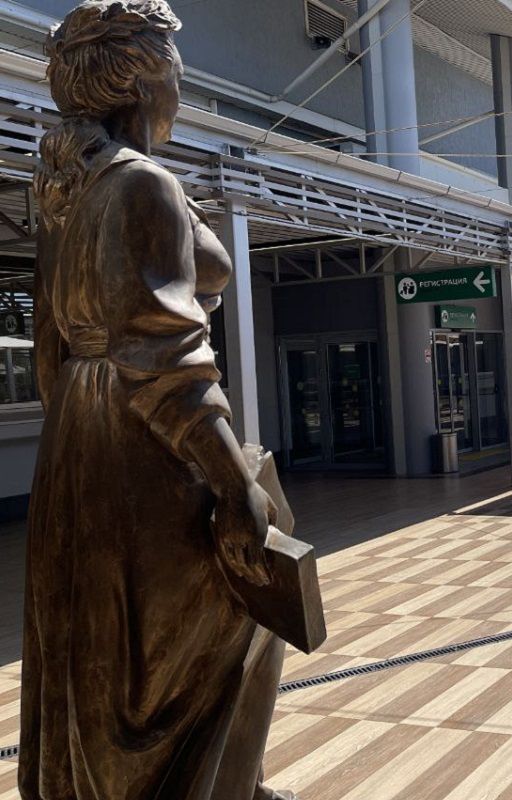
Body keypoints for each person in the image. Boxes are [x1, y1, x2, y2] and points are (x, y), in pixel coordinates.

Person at [22, 2, 292, 797]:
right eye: (175, 69)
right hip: (143, 435)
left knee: (109, 643)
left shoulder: (67, 191)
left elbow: (49, 343)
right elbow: (165, 353)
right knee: (232, 613)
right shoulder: (140, 184)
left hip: (82, 433)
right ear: (141, 81)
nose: (181, 86)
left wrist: (74, 442)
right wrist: (233, 484)